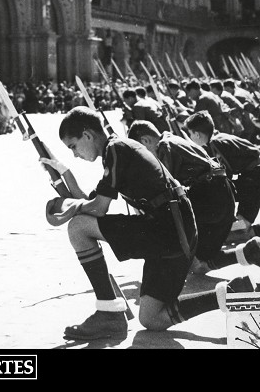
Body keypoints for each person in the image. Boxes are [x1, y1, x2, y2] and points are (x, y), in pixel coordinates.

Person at [40, 107, 254, 339]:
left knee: (78, 227)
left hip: (168, 230)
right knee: (152, 319)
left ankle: (109, 314)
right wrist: (65, 173)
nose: (75, 154)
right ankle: (231, 293)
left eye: (73, 146)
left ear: (87, 135)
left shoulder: (116, 149)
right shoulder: (117, 150)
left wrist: (68, 208)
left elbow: (97, 209)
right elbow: (91, 204)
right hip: (174, 232)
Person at [126, 120, 259, 275]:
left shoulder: (164, 147)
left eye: (143, 153)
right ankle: (252, 251)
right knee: (202, 258)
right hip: (220, 192)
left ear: (145, 141)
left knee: (184, 247)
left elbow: (165, 187)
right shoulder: (172, 139)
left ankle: (250, 250)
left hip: (209, 196)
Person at [185, 110, 260, 243]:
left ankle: (244, 230)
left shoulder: (216, 145)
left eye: (190, 134)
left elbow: (225, 177)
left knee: (236, 215)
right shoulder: (218, 138)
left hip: (254, 176)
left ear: (197, 134)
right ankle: (245, 228)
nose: (190, 138)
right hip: (251, 175)